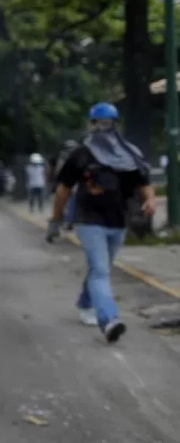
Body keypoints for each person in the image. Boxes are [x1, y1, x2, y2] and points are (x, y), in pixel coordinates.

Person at [48, 102, 156, 342]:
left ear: (116, 125)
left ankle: (85, 304)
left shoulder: (129, 153)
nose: (103, 127)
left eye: (108, 123)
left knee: (100, 267)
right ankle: (109, 320)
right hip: (89, 221)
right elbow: (63, 190)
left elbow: (144, 181)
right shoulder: (81, 154)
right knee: (100, 270)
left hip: (118, 221)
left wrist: (150, 200)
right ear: (91, 124)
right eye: (99, 123)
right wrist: (56, 219)